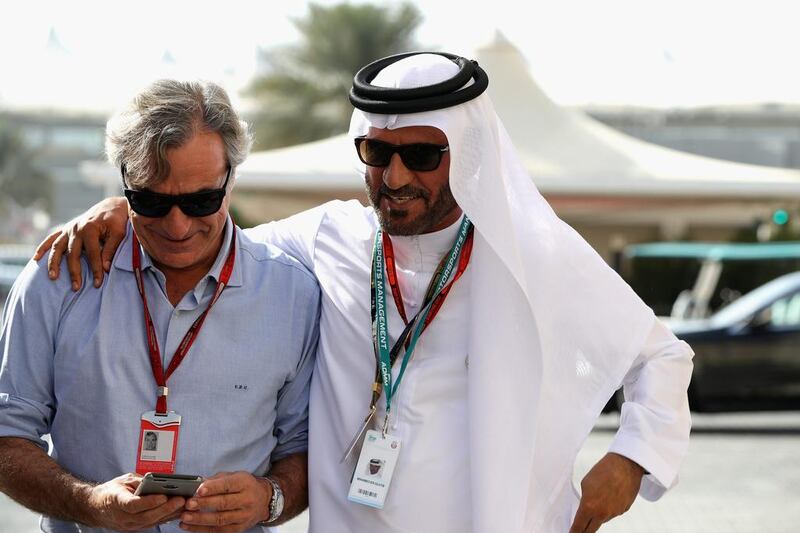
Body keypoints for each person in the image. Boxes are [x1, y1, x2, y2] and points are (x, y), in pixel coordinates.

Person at [37, 53, 693, 533]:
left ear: (465, 152)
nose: (395, 175)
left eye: (421, 154)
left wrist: (629, 462)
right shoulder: (328, 236)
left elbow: (662, 355)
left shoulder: (530, 255)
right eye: (377, 153)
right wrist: (122, 208)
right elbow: (205, 232)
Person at [2, 79, 320, 533]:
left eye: (200, 201)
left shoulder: (294, 293)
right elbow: (7, 436)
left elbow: (307, 446)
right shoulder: (57, 279)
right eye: (150, 201)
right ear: (124, 183)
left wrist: (270, 498)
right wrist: (87, 502)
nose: (177, 225)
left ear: (232, 178)